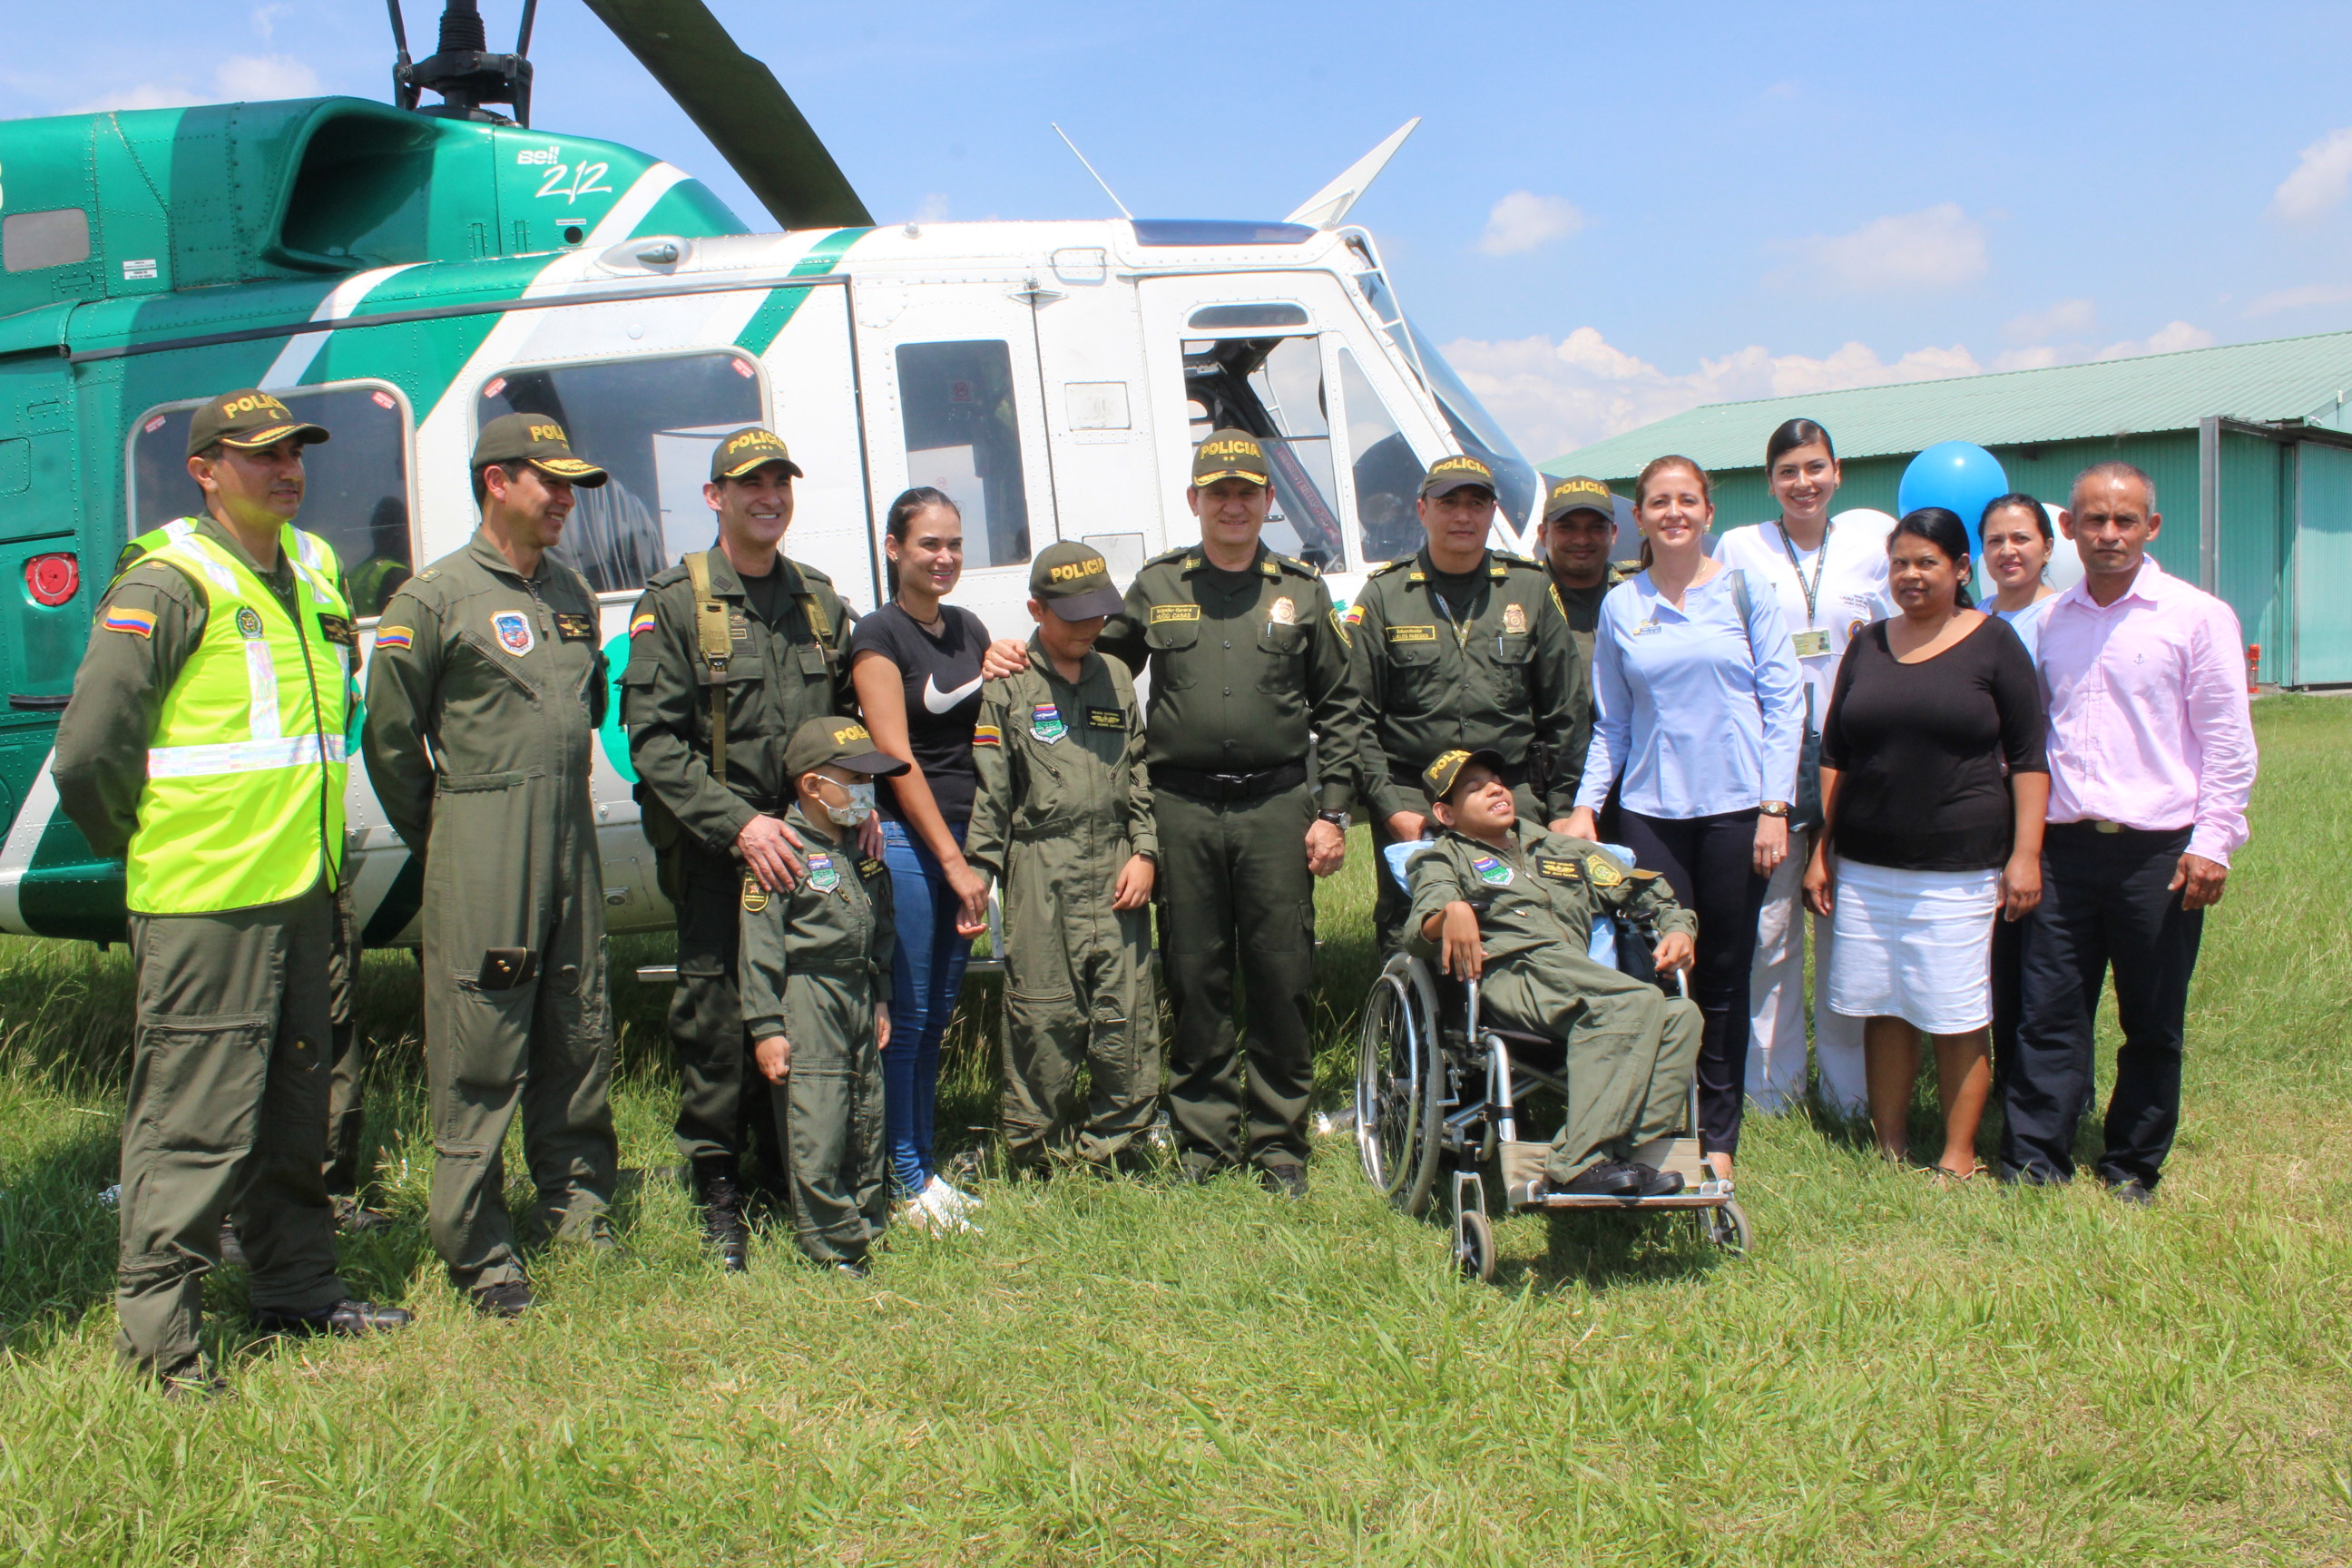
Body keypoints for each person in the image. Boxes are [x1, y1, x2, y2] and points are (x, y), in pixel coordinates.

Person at [54, 389, 411, 1393]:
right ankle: (160, 1347)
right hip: (207, 899)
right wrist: (139, 842)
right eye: (259, 455)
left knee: (299, 1113)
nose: (286, 469)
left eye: (294, 452)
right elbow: (88, 755)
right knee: (193, 1125)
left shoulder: (314, 567)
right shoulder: (170, 580)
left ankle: (296, 1289)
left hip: (307, 889)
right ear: (204, 471)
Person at [364, 413, 622, 1316]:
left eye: (572, 486)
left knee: (578, 1023)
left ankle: (579, 1213)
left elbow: (587, 709)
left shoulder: (572, 591)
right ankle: (480, 1250)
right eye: (550, 482)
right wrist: (452, 836)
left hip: (568, 837)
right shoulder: (434, 599)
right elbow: (390, 740)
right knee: (481, 1041)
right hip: (482, 839)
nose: (565, 500)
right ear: (497, 482)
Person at [1095, 430, 1366, 1194]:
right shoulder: (1157, 585)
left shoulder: (1301, 591)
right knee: (1195, 972)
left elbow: (1341, 706)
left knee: (1282, 971)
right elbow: (1097, 666)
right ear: (1195, 501)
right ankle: (1204, 1140)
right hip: (1181, 806)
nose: (1234, 505)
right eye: (1218, 492)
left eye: (1247, 491)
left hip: (1276, 806)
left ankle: (1279, 1142)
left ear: (1268, 501)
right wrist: (1024, 656)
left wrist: (1333, 811)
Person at [2001, 462, 2258, 1203]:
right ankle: (2034, 1162)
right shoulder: (2051, 622)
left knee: (2151, 1020)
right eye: (2094, 520)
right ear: (2069, 529)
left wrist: (2213, 843)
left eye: (2125, 520)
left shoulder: (2197, 616)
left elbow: (2227, 740)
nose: (2109, 534)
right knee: (2048, 1015)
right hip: (2064, 849)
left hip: (2159, 852)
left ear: (2152, 527)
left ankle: (2132, 1166)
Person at [1566, 455, 1803, 1181]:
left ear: (1708, 512)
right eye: (1659, 502)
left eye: (1687, 501)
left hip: (1737, 813)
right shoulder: (1622, 605)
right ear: (1638, 517)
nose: (1674, 513)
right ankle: (1659, 1120)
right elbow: (1613, 722)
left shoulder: (1744, 591)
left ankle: (1718, 1136)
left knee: (1726, 973)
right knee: (1656, 972)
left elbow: (1784, 704)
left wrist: (1775, 807)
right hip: (1650, 815)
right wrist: (1585, 806)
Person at [1802, 508, 2047, 1180]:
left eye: (1927, 563)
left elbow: (2029, 758)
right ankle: (1890, 1147)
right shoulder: (1869, 645)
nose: (1910, 575)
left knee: (1956, 1011)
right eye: (1900, 563)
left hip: (1958, 866)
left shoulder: (1994, 643)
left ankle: (1957, 1157)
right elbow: (1836, 753)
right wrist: (1824, 848)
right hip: (1866, 864)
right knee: (1884, 1006)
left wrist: (2026, 854)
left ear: (1961, 569)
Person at [1406, 749, 1702, 1198]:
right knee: (1635, 1001)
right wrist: (1452, 912)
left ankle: (1621, 1152)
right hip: (1515, 972)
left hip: (1574, 973)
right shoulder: (1443, 857)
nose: (1495, 789)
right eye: (1475, 788)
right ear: (1446, 814)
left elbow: (1645, 890)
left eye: (1496, 781)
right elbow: (1420, 930)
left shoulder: (1565, 850)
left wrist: (1678, 928)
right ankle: (1576, 1161)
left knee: (1681, 1016)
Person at [965, 543, 1161, 1173]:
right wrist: (978, 874)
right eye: (1073, 615)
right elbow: (992, 790)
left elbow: (1138, 774)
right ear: (1036, 610)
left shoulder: (1117, 677)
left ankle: (1115, 1147)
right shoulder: (1010, 685)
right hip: (1041, 867)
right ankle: (1037, 1152)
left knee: (1125, 1011)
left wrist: (1146, 852)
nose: (1089, 626)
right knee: (1043, 1012)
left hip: (1118, 867)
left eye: (1098, 612)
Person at [1712, 419, 1887, 1116]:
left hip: (1856, 759)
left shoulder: (1873, 546)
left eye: (1815, 468)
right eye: (1788, 471)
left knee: (1845, 929)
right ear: (1770, 482)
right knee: (1771, 933)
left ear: (1838, 472)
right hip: (1772, 762)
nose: (1803, 483)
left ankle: (1850, 1096)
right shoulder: (1739, 547)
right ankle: (1771, 1093)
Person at [1347, 454, 1587, 951]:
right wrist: (1390, 808)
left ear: (1492, 512)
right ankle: (1409, 1003)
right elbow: (1357, 716)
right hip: (1414, 797)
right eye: (1448, 503)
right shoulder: (1384, 595)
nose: (1462, 516)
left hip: (1510, 792)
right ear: (1422, 509)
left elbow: (1565, 710)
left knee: (1526, 919)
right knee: (1412, 925)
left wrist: (1562, 807)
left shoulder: (1530, 588)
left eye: (1476, 504)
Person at [848, 487, 997, 1232]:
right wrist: (953, 863)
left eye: (954, 544)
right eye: (929, 544)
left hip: (967, 841)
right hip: (912, 842)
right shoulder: (879, 636)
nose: (944, 557)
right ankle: (900, 1176)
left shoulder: (969, 626)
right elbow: (896, 757)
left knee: (938, 1012)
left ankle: (925, 1164)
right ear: (894, 548)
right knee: (904, 1016)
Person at [740, 718, 906, 1275]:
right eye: (854, 779)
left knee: (865, 1112)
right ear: (812, 785)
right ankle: (830, 1242)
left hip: (858, 992)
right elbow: (760, 947)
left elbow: (882, 931)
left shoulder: (860, 849)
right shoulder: (782, 852)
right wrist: (767, 1026)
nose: (867, 791)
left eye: (870, 780)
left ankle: (867, 1220)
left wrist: (880, 996)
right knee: (819, 1118)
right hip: (807, 997)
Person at [1536, 474, 1627, 678]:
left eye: (1596, 528)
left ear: (1613, 534)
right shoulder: (1522, 599)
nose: (1582, 540)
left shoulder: (1639, 594)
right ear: (1543, 534)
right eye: (1567, 528)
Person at [1980, 494, 2061, 662]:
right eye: (1995, 541)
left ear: (2047, 548)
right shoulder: (1974, 615)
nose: (2007, 551)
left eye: (2020, 539)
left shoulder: (2060, 617)